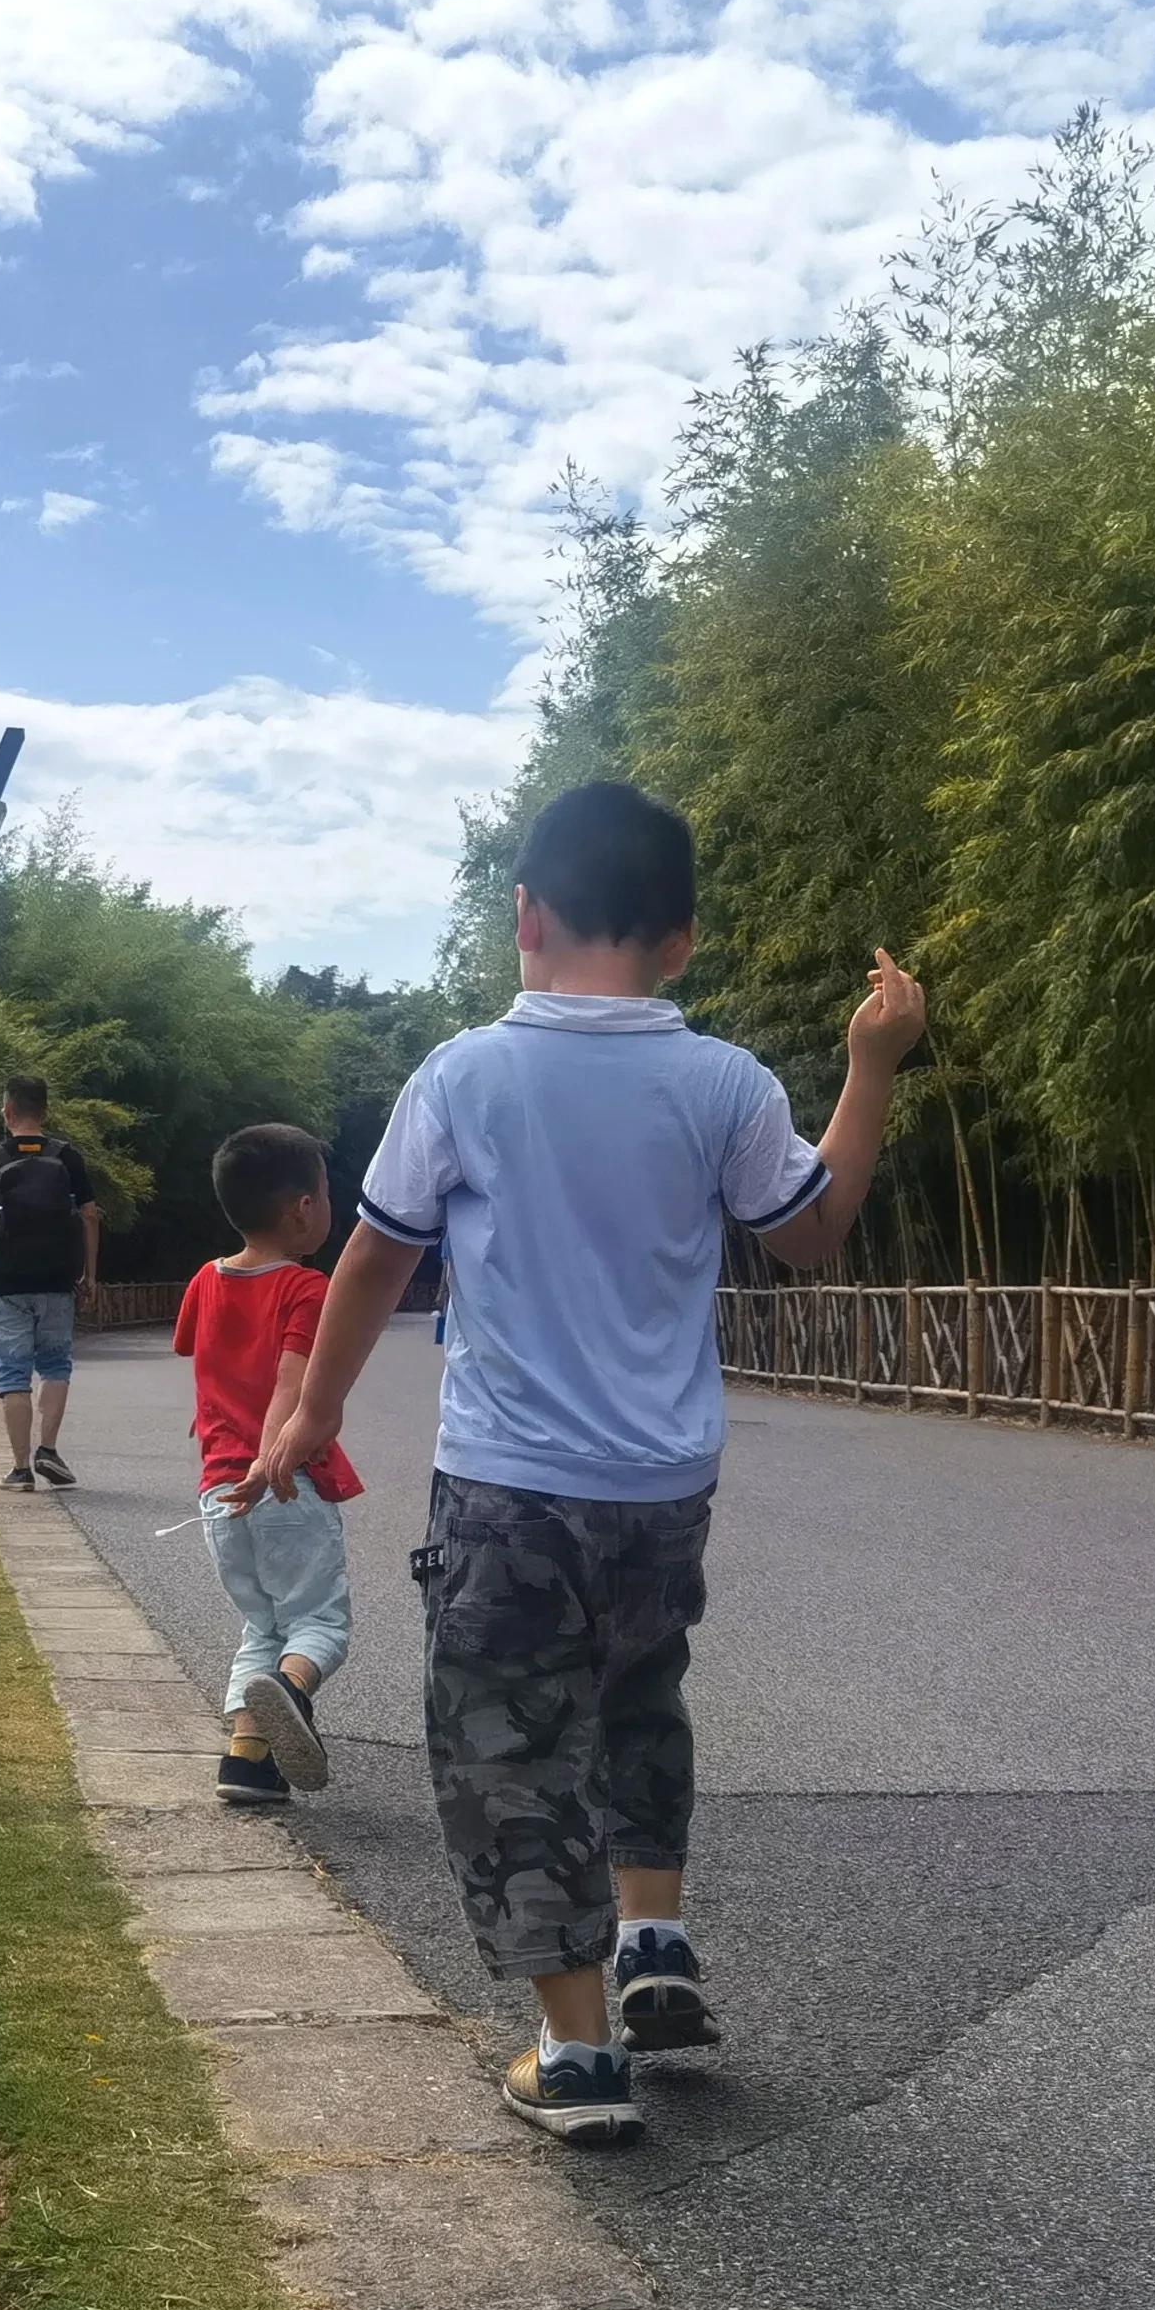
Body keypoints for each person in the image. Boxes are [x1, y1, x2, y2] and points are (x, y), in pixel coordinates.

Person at [246, 781, 924, 2146]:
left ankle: (575, 2053)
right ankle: (653, 1935)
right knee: (637, 1701)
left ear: (524, 915)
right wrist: (873, 1063)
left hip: (509, 1485)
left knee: (505, 1751)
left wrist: (313, 1415)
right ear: (679, 940)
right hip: (663, 1490)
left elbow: (376, 1254)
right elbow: (810, 1231)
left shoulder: (465, 1076)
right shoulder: (726, 1080)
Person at [176, 1124, 361, 1808]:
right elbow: (291, 1380)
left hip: (218, 1491)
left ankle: (248, 1763)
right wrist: (272, 1452)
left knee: (263, 1625)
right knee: (319, 1625)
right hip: (284, 1481)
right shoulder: (306, 1288)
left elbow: (203, 1360)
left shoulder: (204, 1279)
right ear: (303, 1208)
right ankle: (291, 1689)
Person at [0, 1075, 101, 1490]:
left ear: (7, 1112)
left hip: (8, 1283)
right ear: (45, 1111)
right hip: (57, 1280)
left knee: (13, 1372)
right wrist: (90, 1275)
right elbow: (90, 1216)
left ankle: (20, 1470)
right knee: (56, 1364)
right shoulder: (67, 1157)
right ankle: (48, 1451)